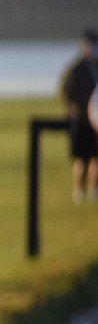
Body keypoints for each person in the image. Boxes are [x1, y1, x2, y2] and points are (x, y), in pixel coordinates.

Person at [60, 28, 98, 203]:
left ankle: (94, 189)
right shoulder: (77, 69)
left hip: (96, 121)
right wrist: (80, 108)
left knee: (96, 158)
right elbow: (66, 94)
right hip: (81, 120)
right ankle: (78, 191)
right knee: (81, 158)